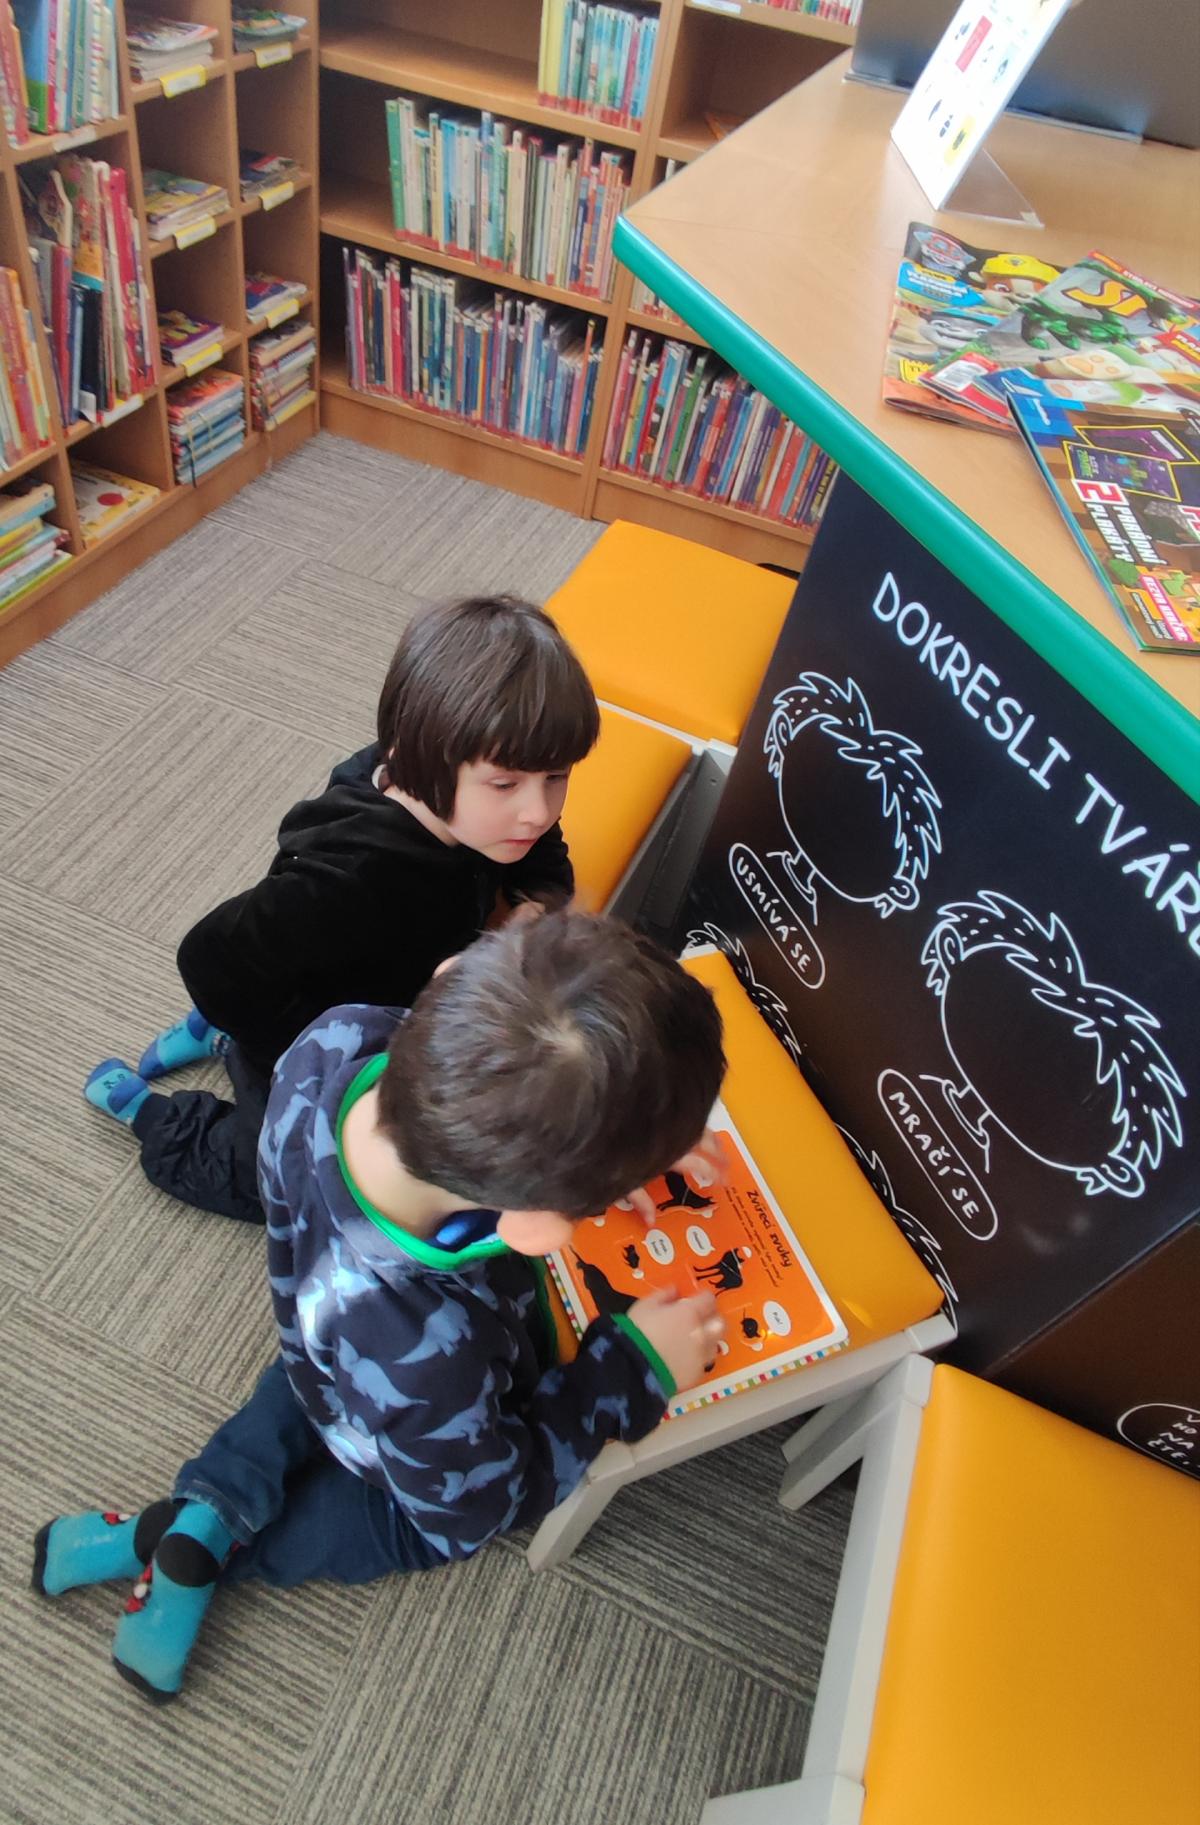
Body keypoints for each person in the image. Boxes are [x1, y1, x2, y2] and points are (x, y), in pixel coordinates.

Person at [34, 912, 728, 1703]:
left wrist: (611, 1153)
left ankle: (204, 1512)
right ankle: (225, 1553)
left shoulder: (334, 1041)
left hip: (317, 1329)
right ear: (538, 1229)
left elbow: (506, 1071)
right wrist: (627, 1373)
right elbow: (480, 1503)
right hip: (402, 1417)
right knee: (397, 1526)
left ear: (446, 977)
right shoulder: (441, 1362)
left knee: (294, 1394)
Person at [81, 595, 600, 1224]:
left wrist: (531, 903)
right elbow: (210, 957)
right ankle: (157, 1118)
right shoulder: (355, 878)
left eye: (556, 778)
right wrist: (305, 1053)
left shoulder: (468, 795)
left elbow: (545, 846)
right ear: (421, 755)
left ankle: (217, 1035)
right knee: (286, 1181)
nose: (538, 810)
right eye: (507, 785)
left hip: (333, 979)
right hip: (312, 1035)